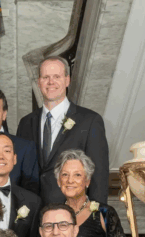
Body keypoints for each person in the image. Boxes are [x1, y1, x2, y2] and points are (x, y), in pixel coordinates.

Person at [16, 56, 110, 204]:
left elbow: (99, 176)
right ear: (39, 82)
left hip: (72, 215)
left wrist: (97, 219)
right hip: (33, 216)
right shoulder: (26, 123)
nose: (50, 82)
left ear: (67, 80)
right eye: (45, 77)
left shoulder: (90, 121)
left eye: (56, 77)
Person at [55, 150, 129, 237]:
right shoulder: (51, 216)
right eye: (65, 175)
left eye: (77, 175)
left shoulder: (105, 213)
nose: (70, 180)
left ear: (87, 181)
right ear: (58, 181)